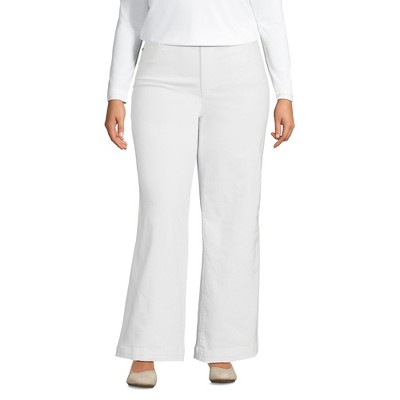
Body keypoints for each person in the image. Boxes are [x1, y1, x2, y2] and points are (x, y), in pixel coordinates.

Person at [104, 0, 295, 388]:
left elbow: (270, 15)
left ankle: (223, 344)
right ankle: (146, 345)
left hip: (239, 73)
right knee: (160, 211)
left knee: (234, 212)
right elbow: (130, 18)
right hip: (161, 72)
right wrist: (116, 93)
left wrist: (285, 92)